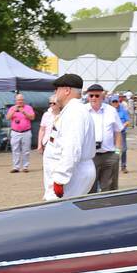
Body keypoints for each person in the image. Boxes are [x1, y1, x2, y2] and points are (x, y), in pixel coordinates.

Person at [43, 72, 97, 200]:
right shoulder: (71, 111)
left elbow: (72, 148)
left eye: (57, 89)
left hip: (72, 175)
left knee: (60, 215)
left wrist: (60, 179)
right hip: (72, 172)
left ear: (67, 90)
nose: (55, 93)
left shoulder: (74, 113)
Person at [83, 83, 123, 191]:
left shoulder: (111, 110)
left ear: (102, 96)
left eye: (97, 95)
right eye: (91, 96)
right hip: (90, 156)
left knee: (109, 188)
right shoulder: (82, 111)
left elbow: (118, 131)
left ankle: (109, 207)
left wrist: (117, 153)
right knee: (88, 188)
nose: (94, 98)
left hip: (109, 155)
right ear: (88, 96)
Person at [5, 91, 36, 174]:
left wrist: (24, 112)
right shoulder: (12, 108)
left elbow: (32, 117)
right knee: (15, 150)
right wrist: (13, 111)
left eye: (21, 100)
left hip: (26, 132)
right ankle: (16, 167)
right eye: (18, 100)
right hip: (15, 132)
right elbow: (7, 118)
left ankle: (25, 167)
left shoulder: (28, 108)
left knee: (26, 150)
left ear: (24, 100)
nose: (20, 101)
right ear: (15, 101)